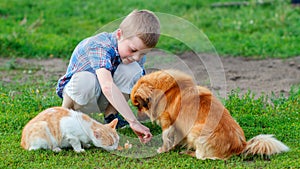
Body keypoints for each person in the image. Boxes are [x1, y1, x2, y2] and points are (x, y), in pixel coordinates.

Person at [56, 9, 160, 144]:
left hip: (104, 98)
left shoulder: (134, 56)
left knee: (133, 71)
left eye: (142, 54)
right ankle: (63, 115)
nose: (136, 57)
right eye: (133, 50)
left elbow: (137, 85)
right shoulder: (99, 45)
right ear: (119, 34)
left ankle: (111, 115)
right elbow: (107, 86)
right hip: (80, 96)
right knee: (86, 80)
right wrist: (133, 121)